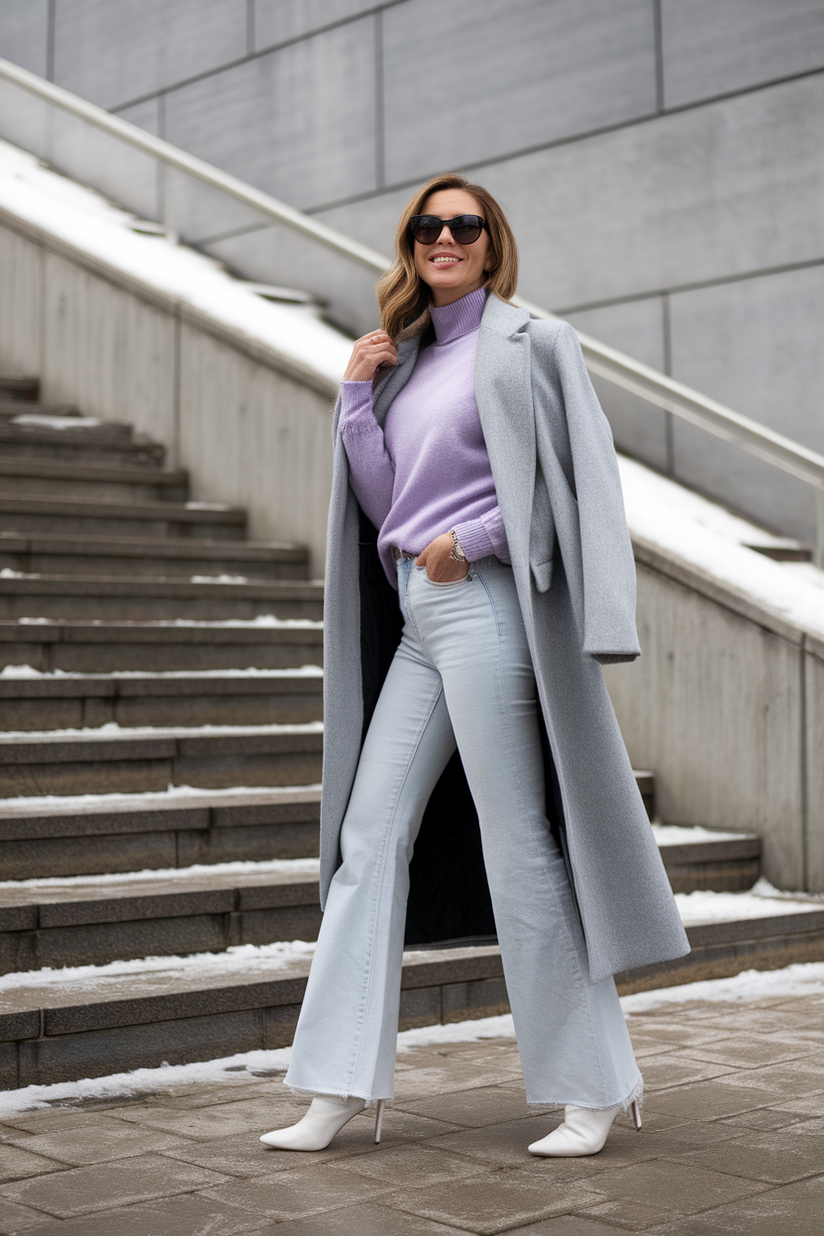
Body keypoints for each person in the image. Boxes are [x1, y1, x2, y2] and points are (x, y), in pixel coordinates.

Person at [260, 173, 689, 1158]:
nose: (443, 237)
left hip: (485, 607)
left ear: (491, 245)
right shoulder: (402, 361)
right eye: (427, 226)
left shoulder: (533, 344)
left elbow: (574, 481)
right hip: (417, 609)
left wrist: (477, 537)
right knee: (366, 840)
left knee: (517, 844)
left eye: (464, 226)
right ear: (409, 245)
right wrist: (356, 399)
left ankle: (591, 1086)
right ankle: (334, 1087)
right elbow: (383, 501)